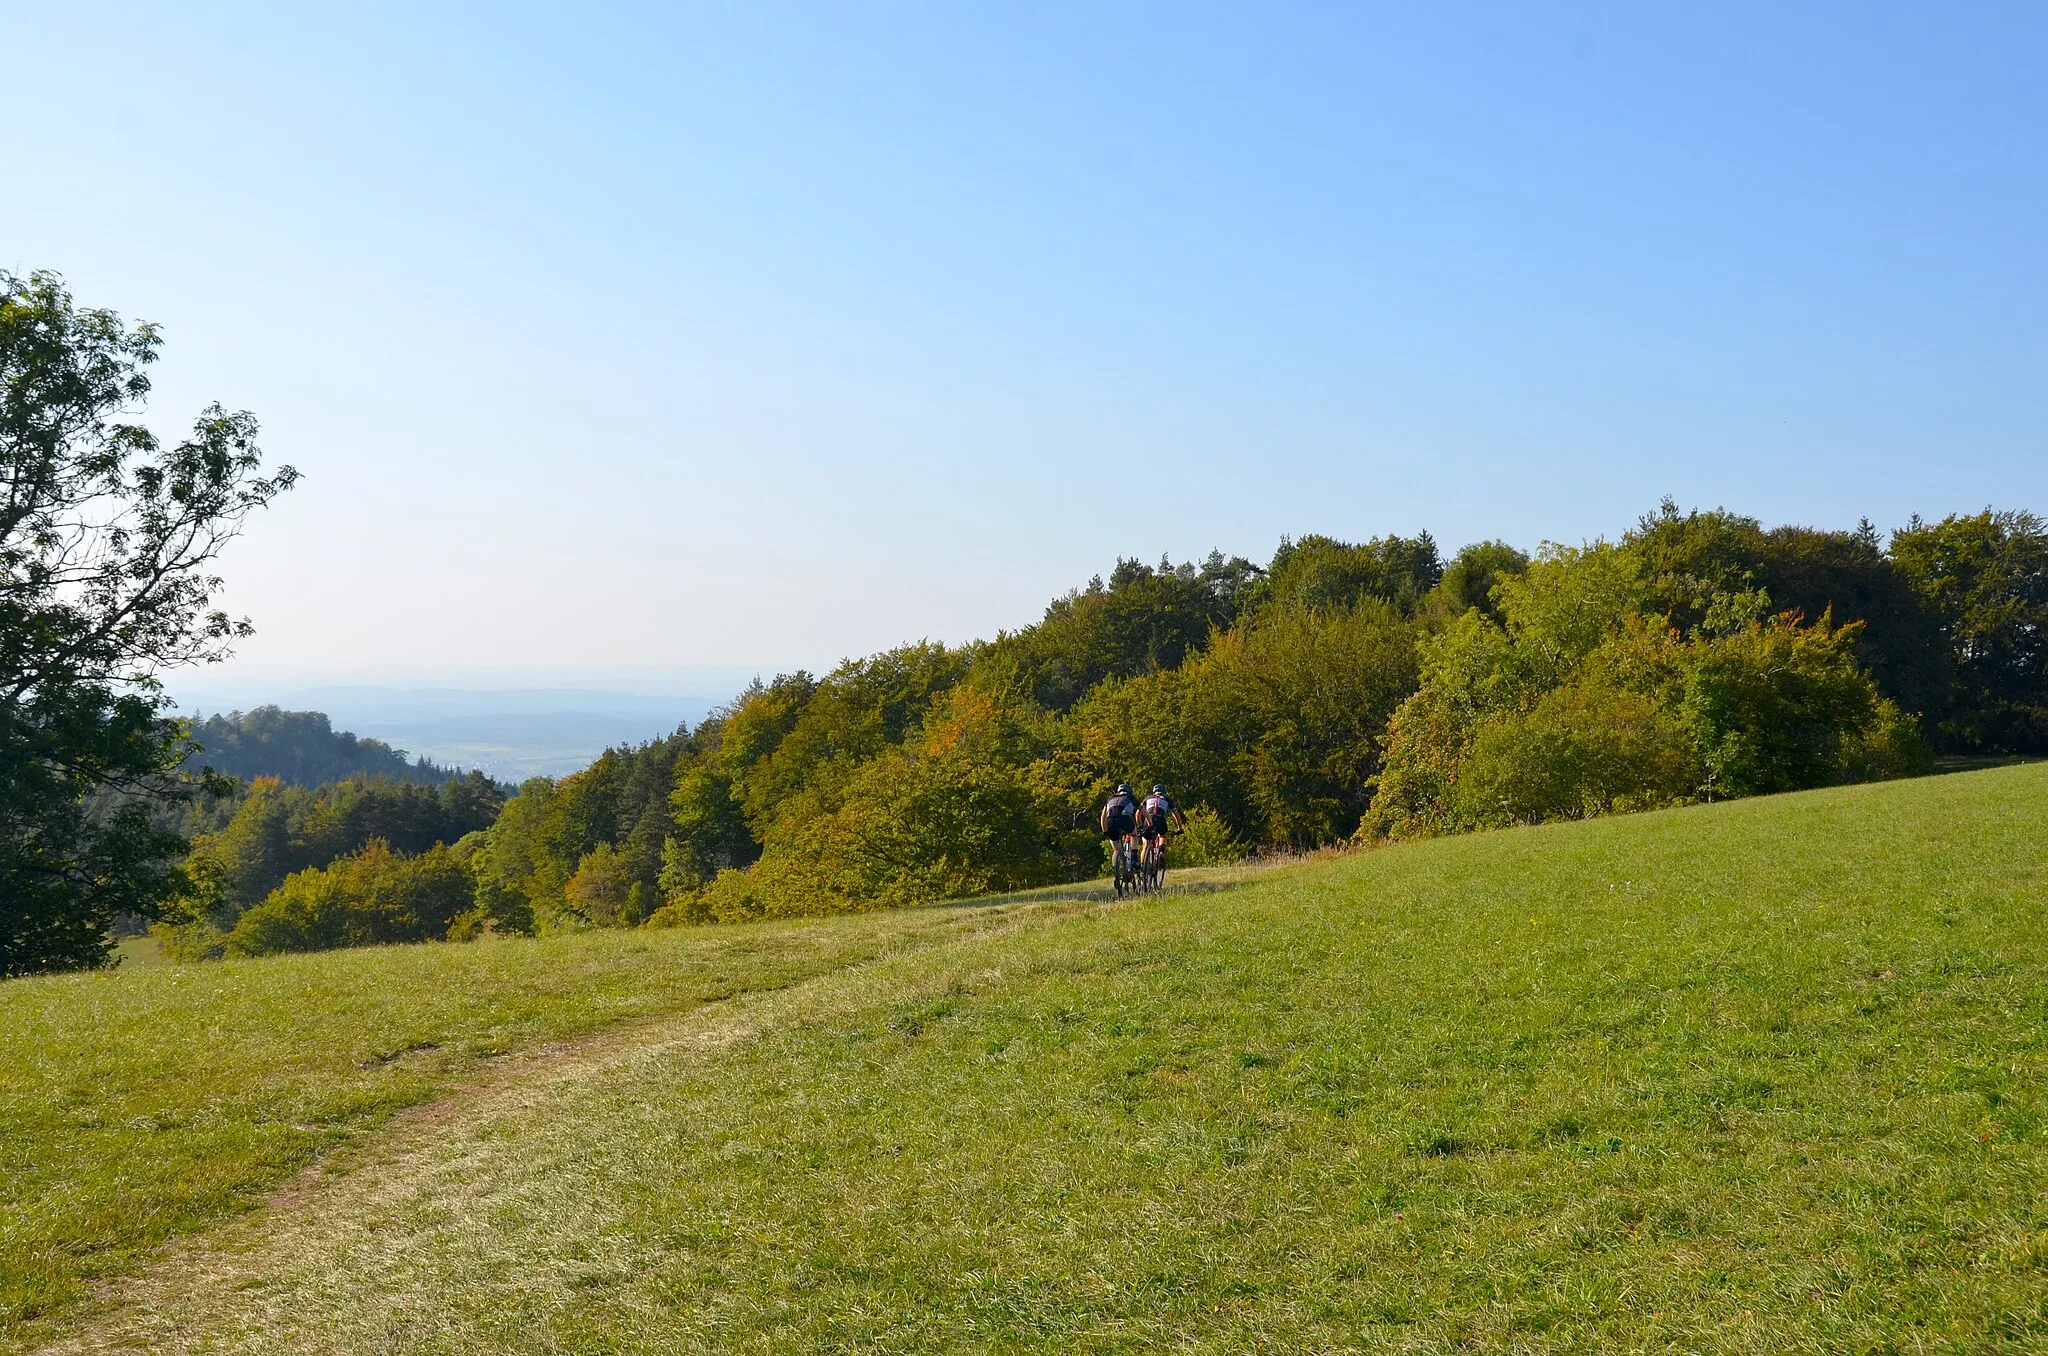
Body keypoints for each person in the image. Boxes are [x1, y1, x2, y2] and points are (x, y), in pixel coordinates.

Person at [1138, 783, 1183, 873]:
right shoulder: (1167, 799)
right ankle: (1161, 851)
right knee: (1163, 835)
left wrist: (1140, 825)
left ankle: (1142, 867)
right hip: (1160, 820)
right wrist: (1179, 828)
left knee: (1145, 846)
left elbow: (1138, 813)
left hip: (1148, 820)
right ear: (1164, 792)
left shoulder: (1148, 798)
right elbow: (1176, 815)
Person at [1101, 783, 1140, 884]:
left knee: (1116, 849)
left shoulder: (1110, 798)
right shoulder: (1130, 797)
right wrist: (1150, 823)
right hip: (1124, 819)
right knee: (1134, 834)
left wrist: (1105, 830)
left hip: (1110, 821)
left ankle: (1116, 872)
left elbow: (1103, 815)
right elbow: (1142, 810)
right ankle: (1134, 858)